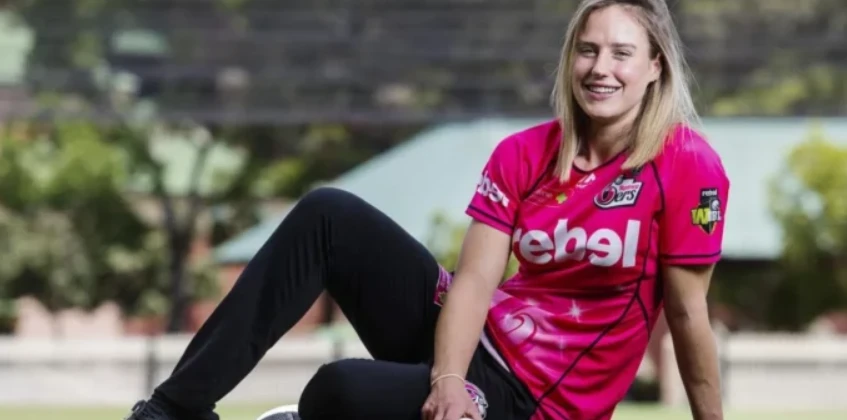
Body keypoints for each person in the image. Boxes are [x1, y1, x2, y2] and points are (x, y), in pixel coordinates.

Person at [125, 0, 729, 419]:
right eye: (588, 50)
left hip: (534, 398)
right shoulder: (523, 153)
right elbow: (473, 281)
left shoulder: (686, 164)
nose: (601, 69)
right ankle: (173, 411)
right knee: (327, 214)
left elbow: (686, 313)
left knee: (337, 390)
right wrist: (446, 381)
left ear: (655, 68)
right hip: (469, 341)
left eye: (622, 54)